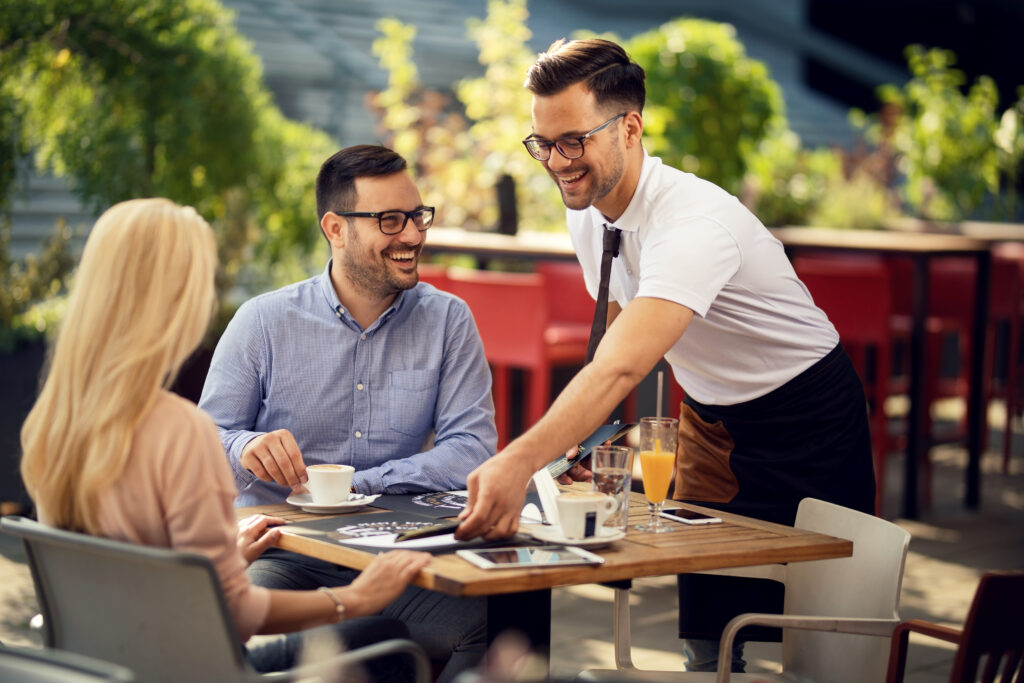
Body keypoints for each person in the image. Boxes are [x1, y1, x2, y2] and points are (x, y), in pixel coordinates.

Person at [456, 38, 876, 672]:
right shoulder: (588, 208)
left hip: (809, 425)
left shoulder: (694, 224)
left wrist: (520, 461)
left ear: (630, 127)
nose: (556, 162)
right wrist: (589, 440)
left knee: (828, 646)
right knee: (709, 642)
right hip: (711, 424)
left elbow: (621, 364)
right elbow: (627, 329)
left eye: (573, 141)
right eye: (542, 143)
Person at [19, 198, 432, 680]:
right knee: (388, 640)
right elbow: (235, 616)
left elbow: (121, 575)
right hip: (195, 669)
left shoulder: (54, 421)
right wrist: (350, 600)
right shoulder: (180, 431)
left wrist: (223, 560)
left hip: (112, 668)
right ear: (178, 298)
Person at [199, 145, 496, 681]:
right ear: (335, 229)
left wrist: (355, 483)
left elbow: (472, 449)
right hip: (284, 551)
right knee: (232, 632)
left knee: (493, 621)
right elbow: (204, 446)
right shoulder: (262, 322)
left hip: (397, 554)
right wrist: (244, 447)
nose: (412, 235)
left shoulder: (449, 320)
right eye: (389, 220)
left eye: (417, 216)